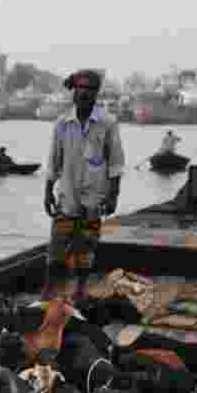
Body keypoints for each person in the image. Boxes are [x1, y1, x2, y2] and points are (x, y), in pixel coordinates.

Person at [43, 68, 124, 302]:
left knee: (85, 248)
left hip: (94, 196)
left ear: (96, 93)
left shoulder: (107, 123)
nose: (84, 93)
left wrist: (113, 195)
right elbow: (53, 161)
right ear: (74, 92)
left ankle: (80, 288)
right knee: (57, 247)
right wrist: (47, 191)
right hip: (67, 194)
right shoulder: (62, 123)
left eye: (89, 89)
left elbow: (116, 163)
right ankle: (49, 289)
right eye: (80, 88)